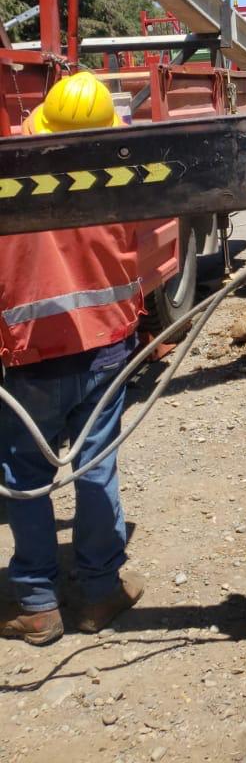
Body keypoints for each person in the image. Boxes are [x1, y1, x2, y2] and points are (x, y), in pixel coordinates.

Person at [0, 72, 146, 644]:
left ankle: (37, 603)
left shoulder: (11, 174)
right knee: (96, 467)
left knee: (25, 477)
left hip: (30, 355)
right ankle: (99, 592)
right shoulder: (121, 177)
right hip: (105, 347)